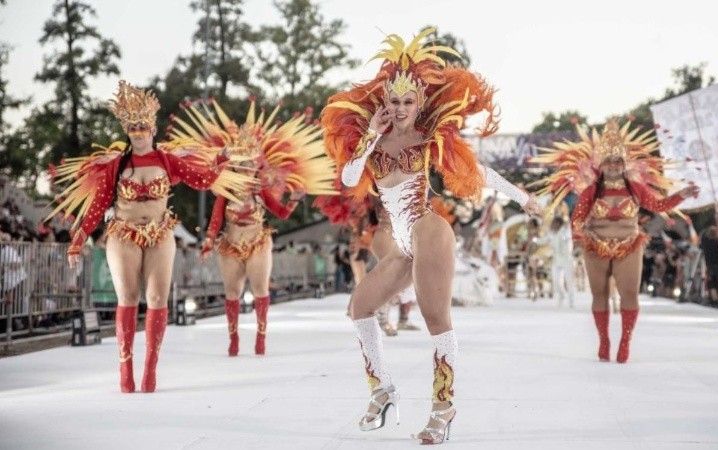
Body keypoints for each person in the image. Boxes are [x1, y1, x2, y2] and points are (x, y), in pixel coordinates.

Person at [321, 28, 537, 444]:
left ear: (419, 103)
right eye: (394, 101)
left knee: (434, 316)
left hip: (427, 228)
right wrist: (369, 137)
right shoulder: (373, 140)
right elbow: (349, 179)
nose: (400, 109)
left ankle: (443, 405)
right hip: (399, 239)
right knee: (359, 307)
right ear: (384, 102)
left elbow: (477, 173)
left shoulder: (427, 138)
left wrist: (521, 197)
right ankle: (382, 391)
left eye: (407, 102)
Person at [48, 81, 249, 393]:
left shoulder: (167, 161)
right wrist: (78, 239)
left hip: (159, 234)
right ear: (127, 131)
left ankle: (150, 370)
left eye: (143, 126)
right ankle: (125, 368)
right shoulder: (116, 166)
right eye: (133, 127)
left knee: (156, 298)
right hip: (123, 235)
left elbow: (201, 180)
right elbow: (98, 207)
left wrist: (219, 162)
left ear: (153, 129)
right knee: (128, 297)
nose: (139, 132)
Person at [170, 99, 337, 357]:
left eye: (250, 163)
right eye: (242, 163)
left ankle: (261, 336)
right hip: (230, 245)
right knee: (232, 292)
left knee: (260, 289)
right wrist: (208, 242)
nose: (246, 167)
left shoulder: (261, 191)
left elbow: (280, 213)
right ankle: (233, 337)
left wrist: (293, 200)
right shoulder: (225, 191)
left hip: (258, 242)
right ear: (235, 165)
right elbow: (215, 219)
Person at [533, 119, 698, 363]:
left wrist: (681, 195)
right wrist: (585, 238)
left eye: (617, 161)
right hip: (596, 248)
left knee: (629, 294)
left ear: (624, 163)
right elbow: (576, 220)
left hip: (629, 246)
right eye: (608, 161)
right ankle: (604, 340)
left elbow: (658, 205)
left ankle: (625, 341)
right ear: (601, 164)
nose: (612, 165)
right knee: (599, 295)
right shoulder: (591, 191)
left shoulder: (636, 189)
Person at [532, 216, 576, 307]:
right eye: (553, 223)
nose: (553, 225)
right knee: (556, 280)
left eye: (555, 223)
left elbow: (569, 243)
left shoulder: (566, 231)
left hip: (567, 259)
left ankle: (571, 300)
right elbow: (543, 240)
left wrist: (568, 251)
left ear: (559, 224)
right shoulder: (551, 233)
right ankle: (561, 295)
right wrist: (535, 240)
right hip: (556, 260)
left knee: (569, 281)